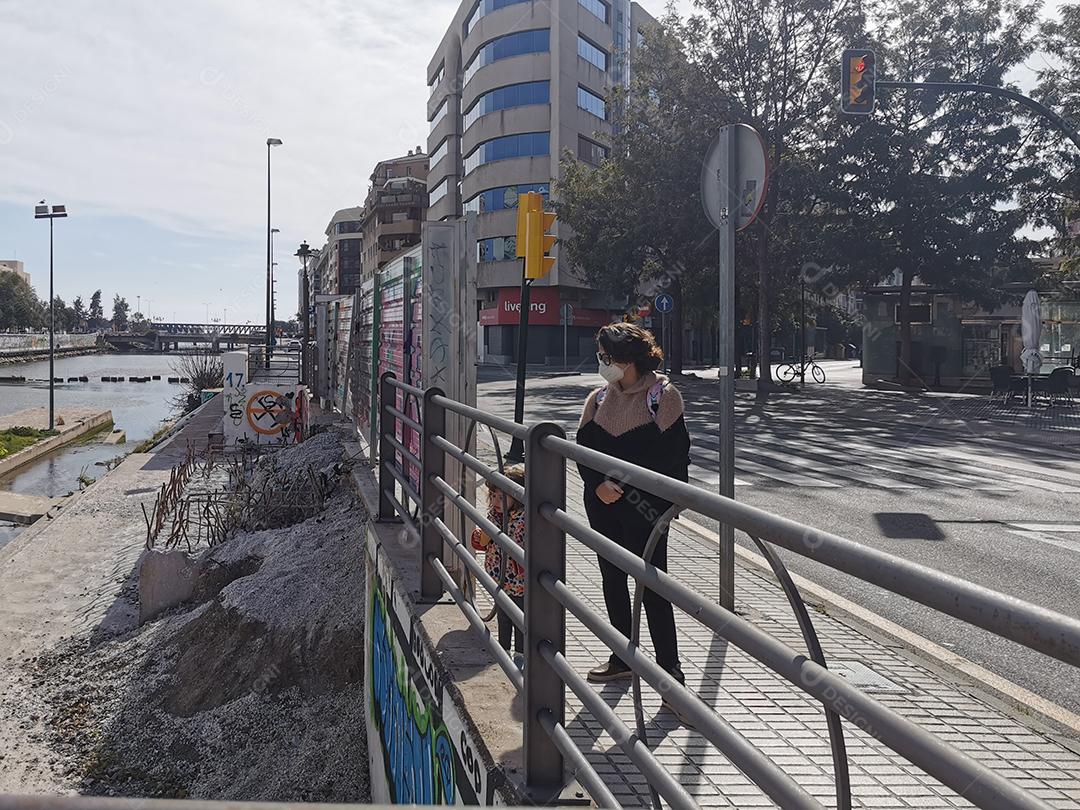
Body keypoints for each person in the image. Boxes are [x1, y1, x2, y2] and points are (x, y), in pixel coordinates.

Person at [576, 323, 691, 687]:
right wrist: (597, 485)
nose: (602, 363)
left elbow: (672, 459)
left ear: (626, 360)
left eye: (606, 357)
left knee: (653, 586)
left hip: (647, 510)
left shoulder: (663, 397)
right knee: (613, 580)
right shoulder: (598, 399)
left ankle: (670, 674)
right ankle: (622, 656)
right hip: (603, 506)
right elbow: (583, 451)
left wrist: (620, 486)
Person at [471, 465, 527, 659]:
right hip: (500, 575)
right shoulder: (495, 516)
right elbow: (484, 542)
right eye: (493, 496)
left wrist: (489, 530)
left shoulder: (522, 519)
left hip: (518, 579)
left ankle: (520, 652)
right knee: (503, 613)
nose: (495, 501)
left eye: (501, 498)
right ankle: (504, 648)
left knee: (519, 614)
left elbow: (516, 543)